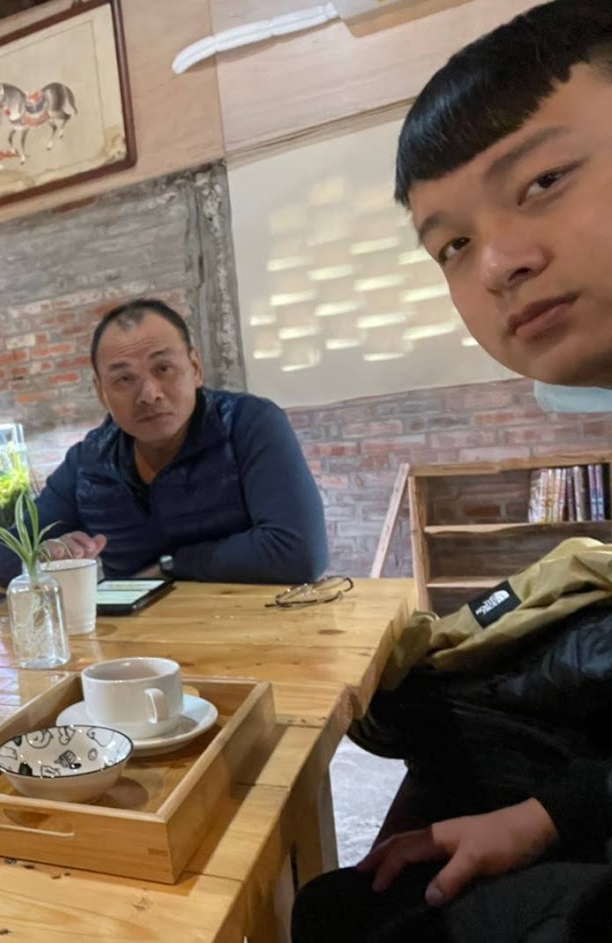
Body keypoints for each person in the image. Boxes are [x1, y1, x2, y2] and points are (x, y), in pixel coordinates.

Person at [293, 3, 612, 940]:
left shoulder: (248, 423)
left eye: (545, 180)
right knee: (339, 899)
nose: (500, 263)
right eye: (454, 246)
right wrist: (545, 817)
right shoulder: (99, 458)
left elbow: (283, 548)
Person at [0, 298, 328, 589]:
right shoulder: (89, 462)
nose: (149, 394)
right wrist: (48, 554)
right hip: (136, 644)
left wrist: (170, 566)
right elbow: (2, 560)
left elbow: (299, 552)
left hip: (258, 631)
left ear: (195, 368)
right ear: (101, 392)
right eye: (124, 379)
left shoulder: (247, 424)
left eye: (163, 368)